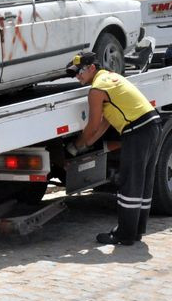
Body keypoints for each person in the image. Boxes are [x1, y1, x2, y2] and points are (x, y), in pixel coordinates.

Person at [66, 52, 161, 245]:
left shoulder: (96, 89)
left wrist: (76, 146)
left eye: (80, 72)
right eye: (75, 74)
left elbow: (92, 125)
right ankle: (136, 230)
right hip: (152, 125)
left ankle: (124, 235)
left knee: (130, 183)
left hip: (137, 131)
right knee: (142, 182)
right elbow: (106, 121)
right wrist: (91, 142)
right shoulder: (112, 77)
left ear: (92, 67)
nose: (78, 77)